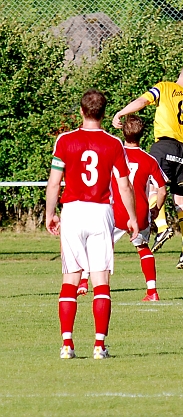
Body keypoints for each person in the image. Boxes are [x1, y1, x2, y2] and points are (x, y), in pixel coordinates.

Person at [46, 89, 139, 360]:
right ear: (103, 112)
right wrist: (132, 217)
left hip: (73, 211)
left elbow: (54, 183)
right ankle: (99, 346)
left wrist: (50, 213)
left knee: (70, 279)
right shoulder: (113, 144)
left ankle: (67, 345)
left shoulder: (65, 141)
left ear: (82, 111)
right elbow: (124, 185)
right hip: (100, 212)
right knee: (100, 281)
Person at [112, 64, 183, 270]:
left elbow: (143, 101)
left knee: (153, 187)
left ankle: (161, 227)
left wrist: (121, 112)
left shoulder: (165, 87)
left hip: (165, 145)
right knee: (180, 199)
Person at [76, 115, 168, 301]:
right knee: (143, 248)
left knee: (96, 246)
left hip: (115, 210)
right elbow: (163, 190)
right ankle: (152, 291)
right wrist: (156, 208)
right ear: (143, 134)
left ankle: (85, 281)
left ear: (123, 132)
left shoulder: (113, 153)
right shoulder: (149, 160)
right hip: (140, 211)